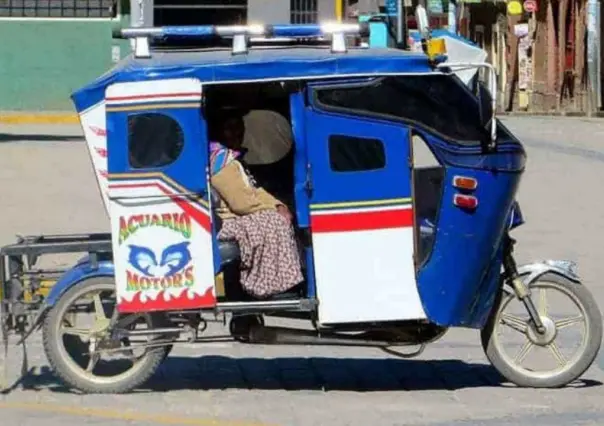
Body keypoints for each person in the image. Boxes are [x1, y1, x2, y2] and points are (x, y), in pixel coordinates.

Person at [209, 110, 304, 299]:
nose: (237, 133)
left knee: (282, 214)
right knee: (275, 222)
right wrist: (274, 210)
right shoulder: (221, 162)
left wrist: (278, 205)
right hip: (229, 221)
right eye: (230, 129)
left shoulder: (233, 159)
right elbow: (241, 203)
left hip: (241, 214)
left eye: (239, 128)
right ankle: (270, 285)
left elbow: (255, 190)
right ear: (219, 131)